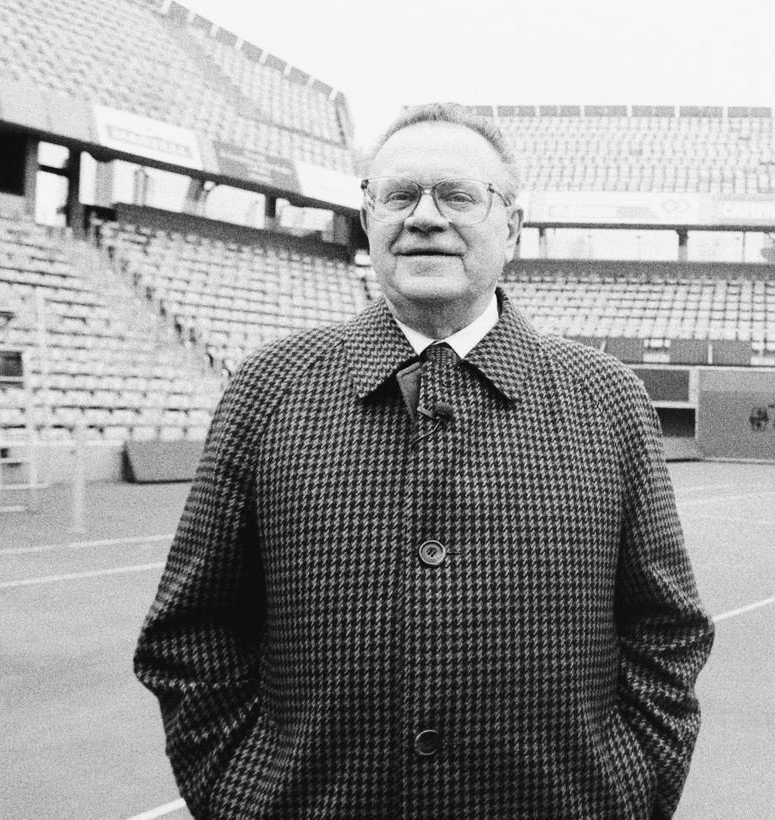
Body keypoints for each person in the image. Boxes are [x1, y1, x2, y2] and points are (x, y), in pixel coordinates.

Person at [134, 102, 715, 819]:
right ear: (368, 218)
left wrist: (631, 790)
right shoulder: (269, 388)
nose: (425, 217)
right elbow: (192, 631)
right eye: (400, 195)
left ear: (512, 227)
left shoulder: (607, 399)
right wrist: (238, 795)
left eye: (459, 196)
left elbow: (667, 630)